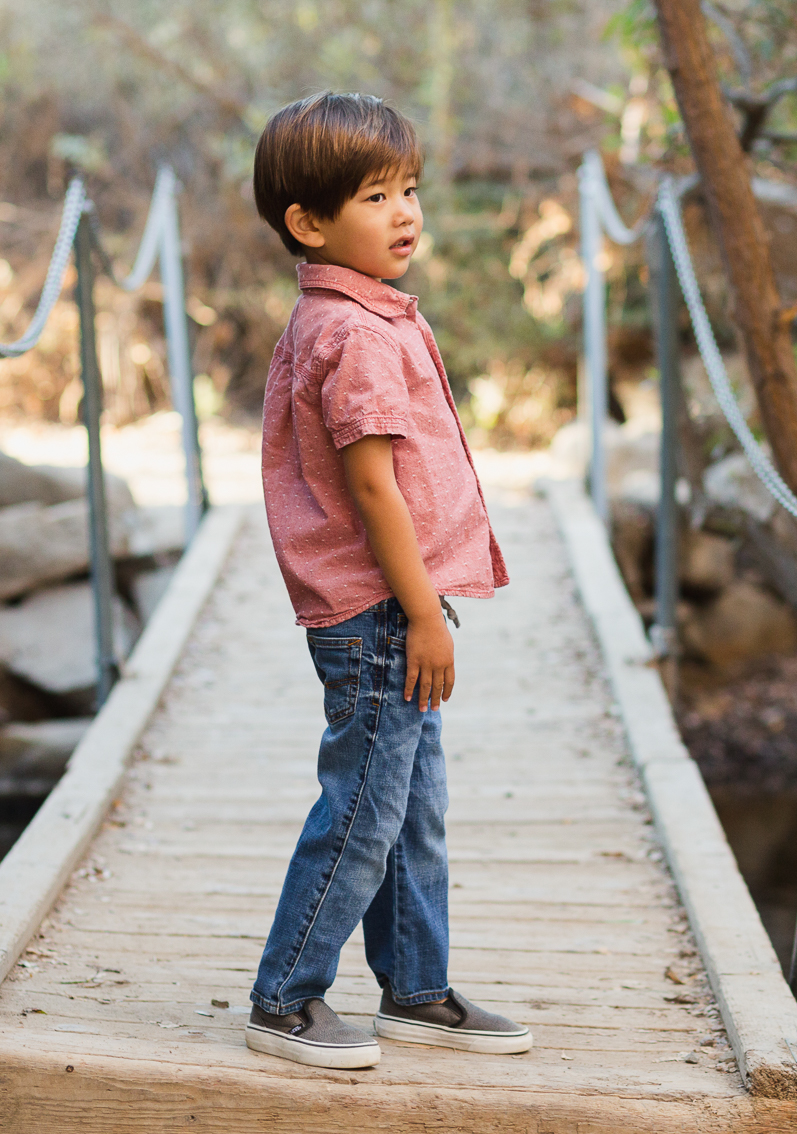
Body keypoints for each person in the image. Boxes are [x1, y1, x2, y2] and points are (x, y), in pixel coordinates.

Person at [243, 91, 530, 1069]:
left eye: (410, 188)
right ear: (309, 223)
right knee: (366, 805)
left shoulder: (360, 314)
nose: (405, 211)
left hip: (392, 605)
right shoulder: (353, 333)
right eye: (376, 195)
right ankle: (284, 998)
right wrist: (422, 613)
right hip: (376, 610)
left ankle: (415, 987)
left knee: (412, 803)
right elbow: (372, 487)